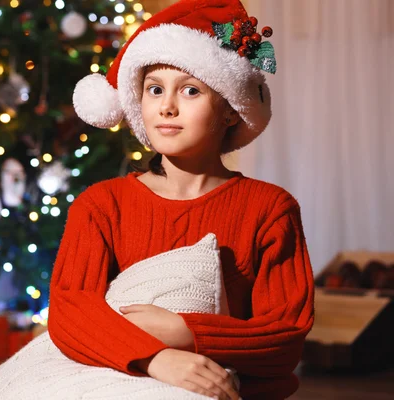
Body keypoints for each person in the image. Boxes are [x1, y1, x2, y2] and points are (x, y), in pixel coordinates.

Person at [49, 0, 315, 399]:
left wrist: (188, 333)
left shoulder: (270, 208)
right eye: (155, 89)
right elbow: (71, 311)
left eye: (190, 90)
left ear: (229, 109)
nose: (167, 106)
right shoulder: (101, 204)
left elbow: (285, 336)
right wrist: (157, 357)